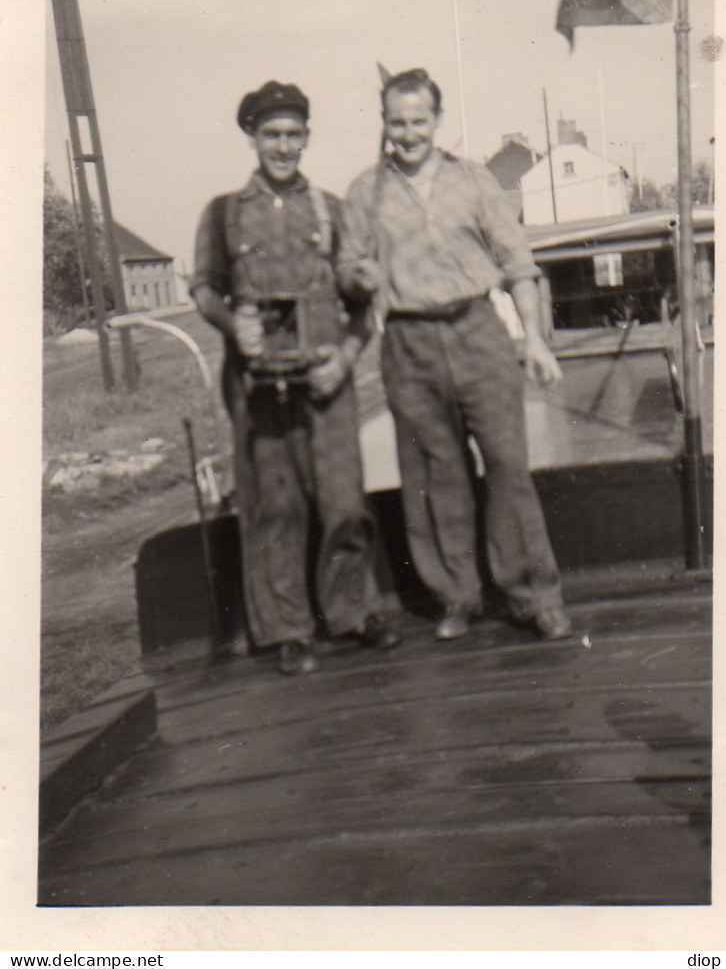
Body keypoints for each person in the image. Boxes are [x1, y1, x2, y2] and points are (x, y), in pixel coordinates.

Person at [337, 67, 572, 642]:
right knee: (436, 478)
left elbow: (519, 265)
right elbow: (347, 276)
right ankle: (458, 596)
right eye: (398, 122)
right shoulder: (365, 192)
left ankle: (534, 595)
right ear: (385, 124)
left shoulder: (473, 180)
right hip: (409, 345)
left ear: (437, 121)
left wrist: (535, 340)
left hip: (478, 331)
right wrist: (358, 277)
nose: (409, 133)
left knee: (509, 468)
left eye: (420, 121)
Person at [190, 80, 401, 675]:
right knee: (274, 506)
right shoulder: (223, 214)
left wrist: (348, 354)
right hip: (256, 388)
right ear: (252, 138)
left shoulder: (332, 210)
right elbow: (204, 287)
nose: (283, 146)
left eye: (293, 135)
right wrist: (235, 325)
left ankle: (352, 613)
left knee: (343, 503)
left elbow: (361, 304)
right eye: (271, 135)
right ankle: (288, 629)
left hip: (326, 381)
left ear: (307, 138)